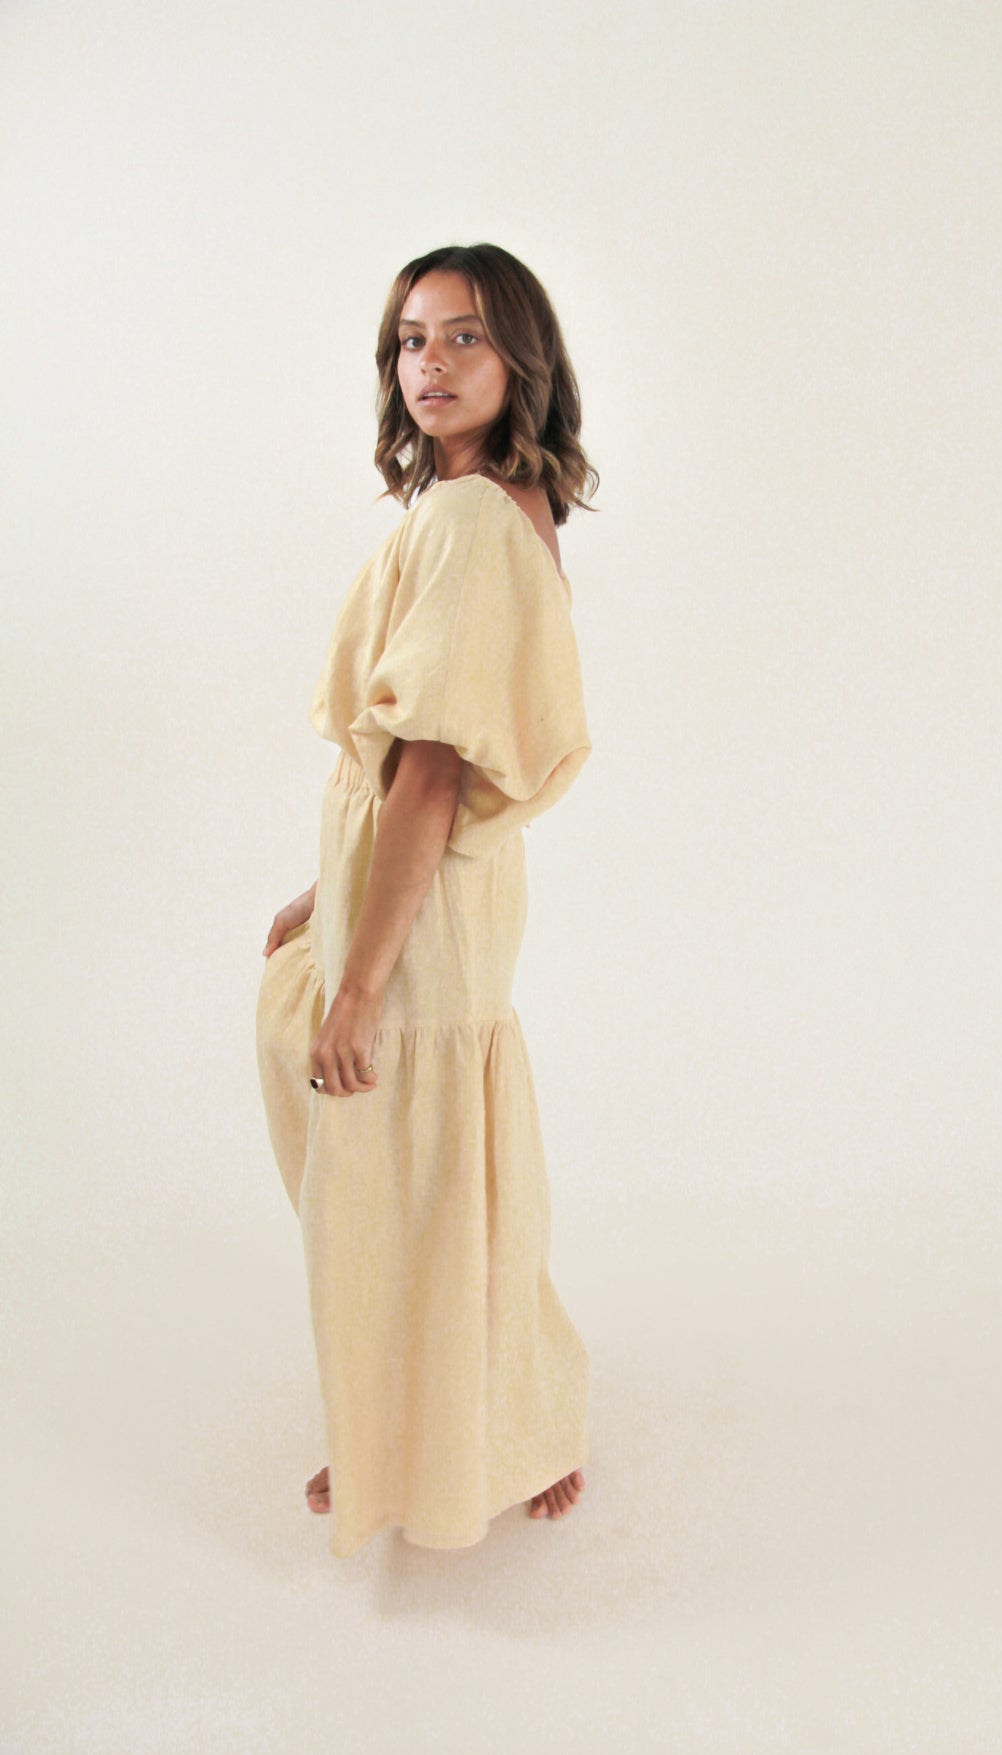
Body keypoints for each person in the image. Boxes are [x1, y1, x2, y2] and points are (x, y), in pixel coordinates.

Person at [254, 243, 597, 1555]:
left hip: (427, 909)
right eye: (411, 338)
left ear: (521, 358)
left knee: (401, 1188)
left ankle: (440, 1437)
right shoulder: (499, 505)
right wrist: (326, 892)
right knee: (441, 1182)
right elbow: (420, 760)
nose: (431, 363)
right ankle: (460, 1423)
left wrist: (359, 982)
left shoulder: (465, 523)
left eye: (464, 336)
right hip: (437, 886)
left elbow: (438, 767)